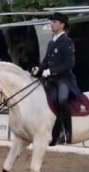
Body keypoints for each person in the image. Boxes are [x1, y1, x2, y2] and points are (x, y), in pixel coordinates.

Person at [32, 11, 79, 145]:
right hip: (51, 81)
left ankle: (68, 133)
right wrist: (38, 69)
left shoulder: (67, 42)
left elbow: (69, 64)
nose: (52, 24)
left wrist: (51, 71)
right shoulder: (50, 43)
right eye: (52, 22)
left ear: (62, 25)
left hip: (64, 80)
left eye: (54, 22)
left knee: (62, 99)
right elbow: (46, 61)